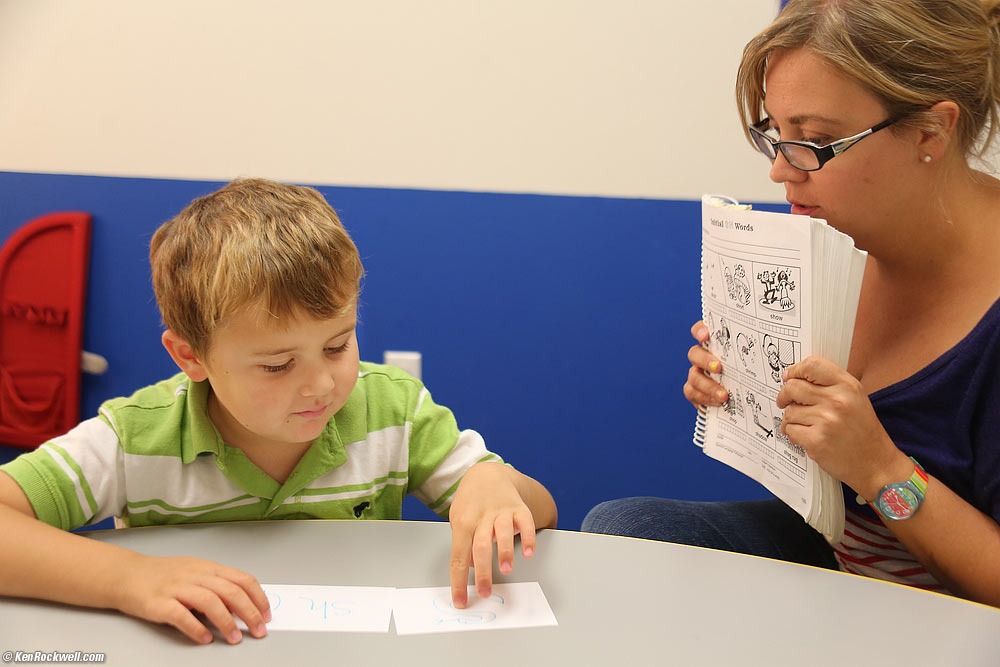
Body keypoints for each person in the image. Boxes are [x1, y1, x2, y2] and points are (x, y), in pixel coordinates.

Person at [0, 178, 557, 644]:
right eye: (276, 365)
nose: (321, 384)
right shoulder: (133, 440)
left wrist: (493, 481)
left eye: (338, 345)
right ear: (190, 356)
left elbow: (543, 514)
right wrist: (129, 579)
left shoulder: (395, 411)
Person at [583, 0, 1000, 606]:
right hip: (851, 564)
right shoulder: (839, 241)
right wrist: (748, 392)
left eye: (816, 141)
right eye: (776, 134)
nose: (781, 169)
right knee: (624, 534)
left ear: (930, 133)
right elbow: (827, 490)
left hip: (953, 608)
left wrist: (881, 467)